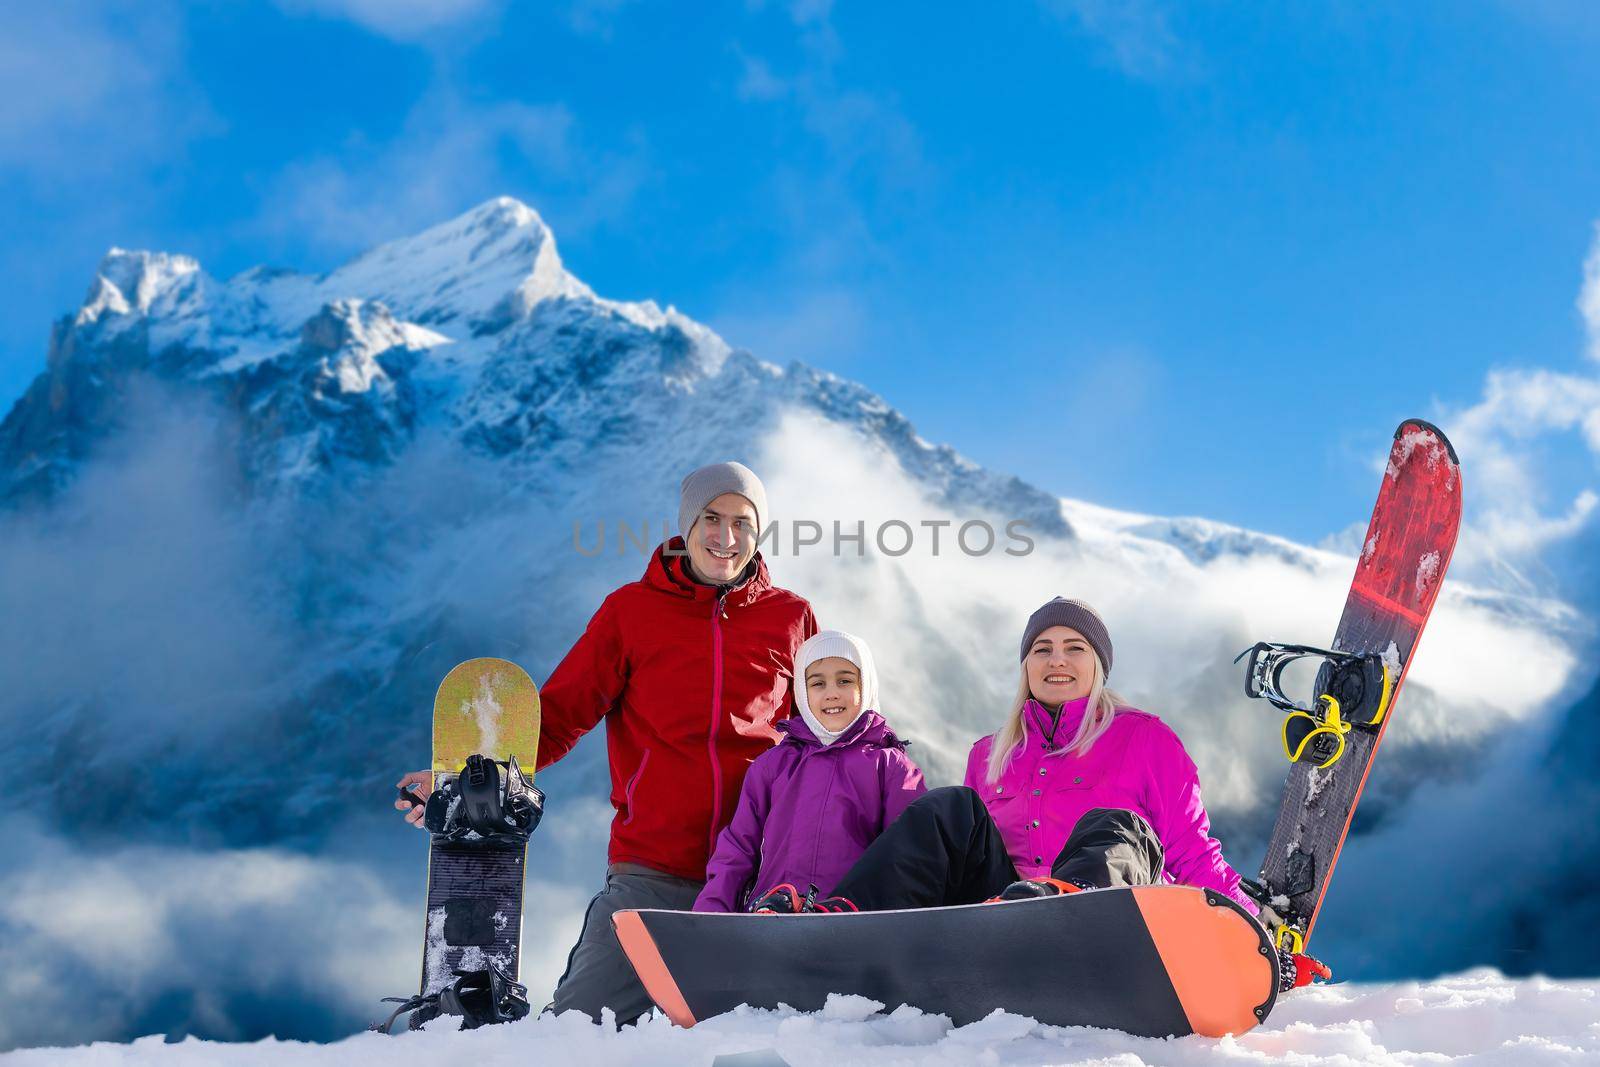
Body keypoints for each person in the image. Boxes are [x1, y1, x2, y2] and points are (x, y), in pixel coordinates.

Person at [394, 461, 818, 1024]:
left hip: (761, 877)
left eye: (743, 522)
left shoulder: (790, 617)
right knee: (578, 1029)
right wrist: (454, 779)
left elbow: (822, 737)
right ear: (687, 525)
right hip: (654, 871)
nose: (726, 537)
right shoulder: (631, 613)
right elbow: (562, 714)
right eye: (712, 518)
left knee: (764, 1039)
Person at [806, 597, 1260, 915]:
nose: (1056, 661)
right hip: (1002, 913)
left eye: (1074, 649)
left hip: (1105, 918)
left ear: (1098, 664)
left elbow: (1193, 852)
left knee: (1117, 825)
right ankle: (846, 917)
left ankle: (1059, 911)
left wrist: (1252, 930)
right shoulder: (989, 754)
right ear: (1026, 666)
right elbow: (961, 853)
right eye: (1042, 650)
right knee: (951, 808)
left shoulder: (1145, 739)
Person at [694, 629, 926, 914]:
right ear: (802, 693)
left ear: (865, 685)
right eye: (818, 683)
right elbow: (737, 850)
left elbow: (908, 854)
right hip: (773, 917)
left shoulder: (891, 767)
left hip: (855, 919)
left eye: (845, 680)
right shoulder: (773, 765)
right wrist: (710, 915)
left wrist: (901, 923)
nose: (831, 693)